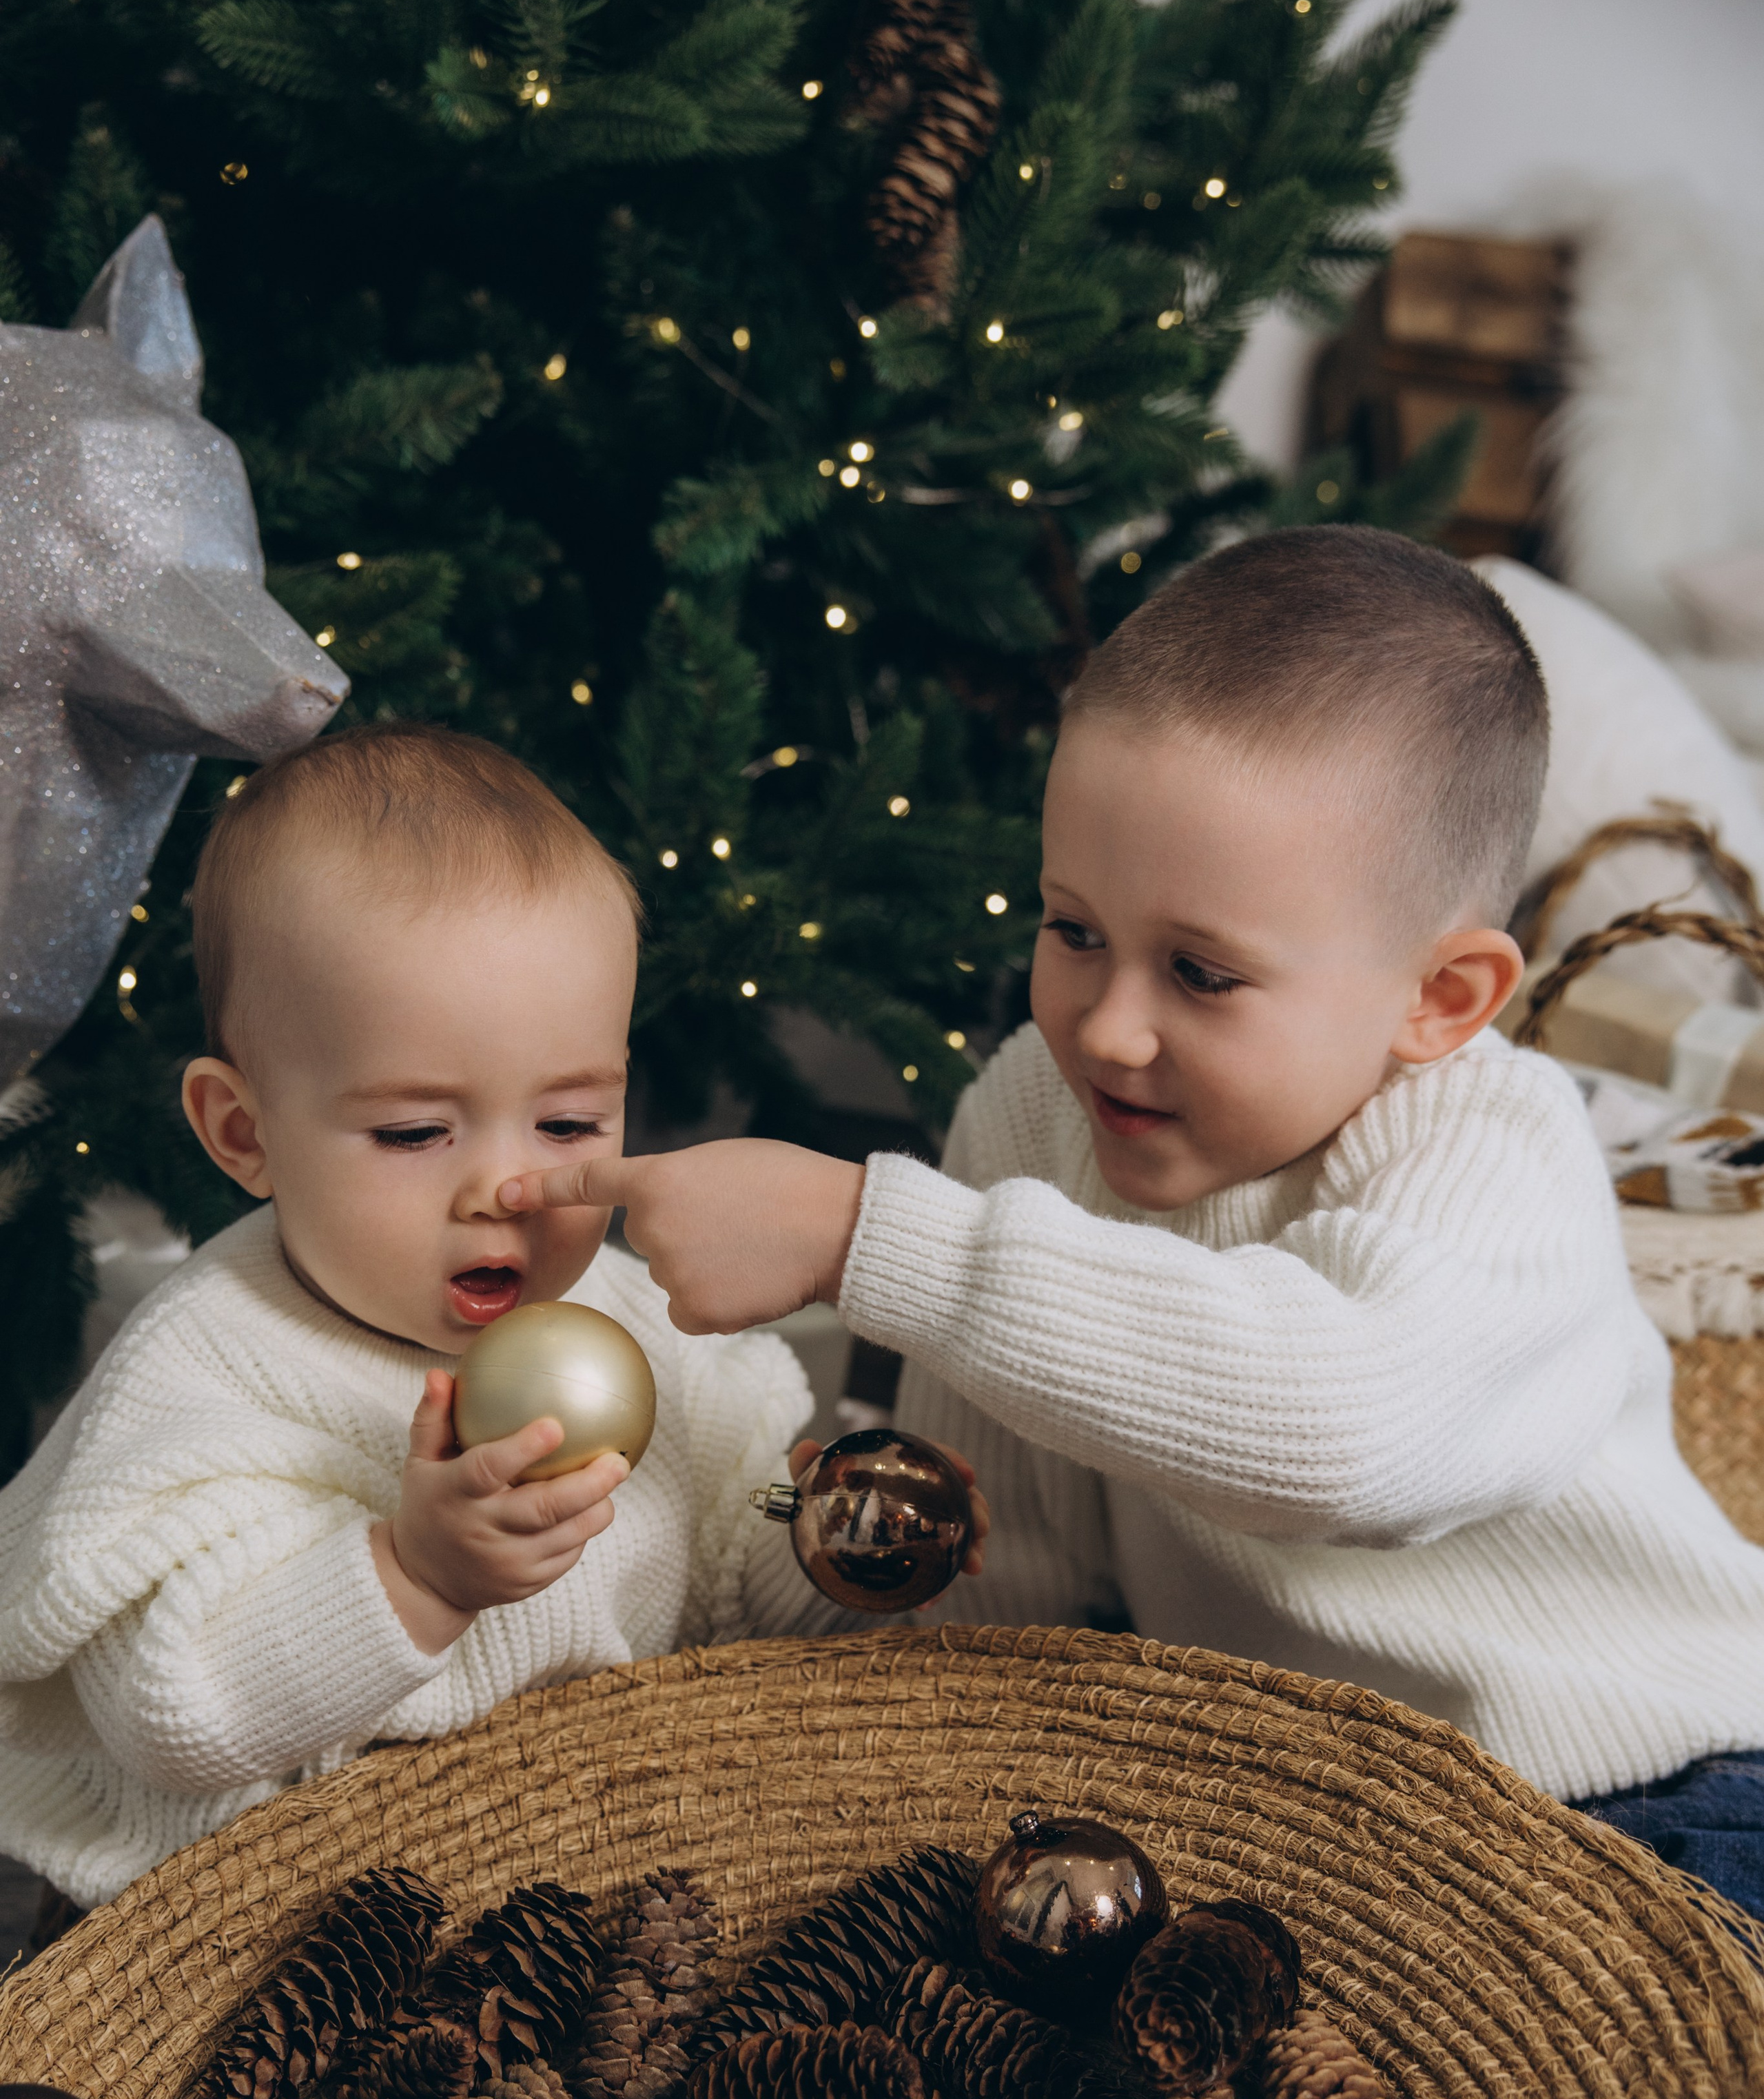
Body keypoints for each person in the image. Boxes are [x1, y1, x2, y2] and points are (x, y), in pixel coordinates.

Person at [509, 526, 1764, 1819]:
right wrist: (741, 1564)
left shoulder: (1500, 1153)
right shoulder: (1040, 1115)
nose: (1107, 1028)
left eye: (1203, 974)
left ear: (1439, 1000)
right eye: (1074, 930)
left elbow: (1341, 1426)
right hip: (1330, 1816)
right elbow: (1017, 1559)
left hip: (1666, 1772)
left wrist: (858, 1231)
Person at [0, 724, 985, 1912]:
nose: (505, 1191)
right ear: (243, 1135)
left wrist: (837, 1545)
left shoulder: (636, 1325)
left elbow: (724, 1584)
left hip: (586, 1900)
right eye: (416, 1134)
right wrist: (415, 1576)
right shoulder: (215, 1367)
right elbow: (176, 1712)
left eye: (568, 1125)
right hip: (292, 1924)